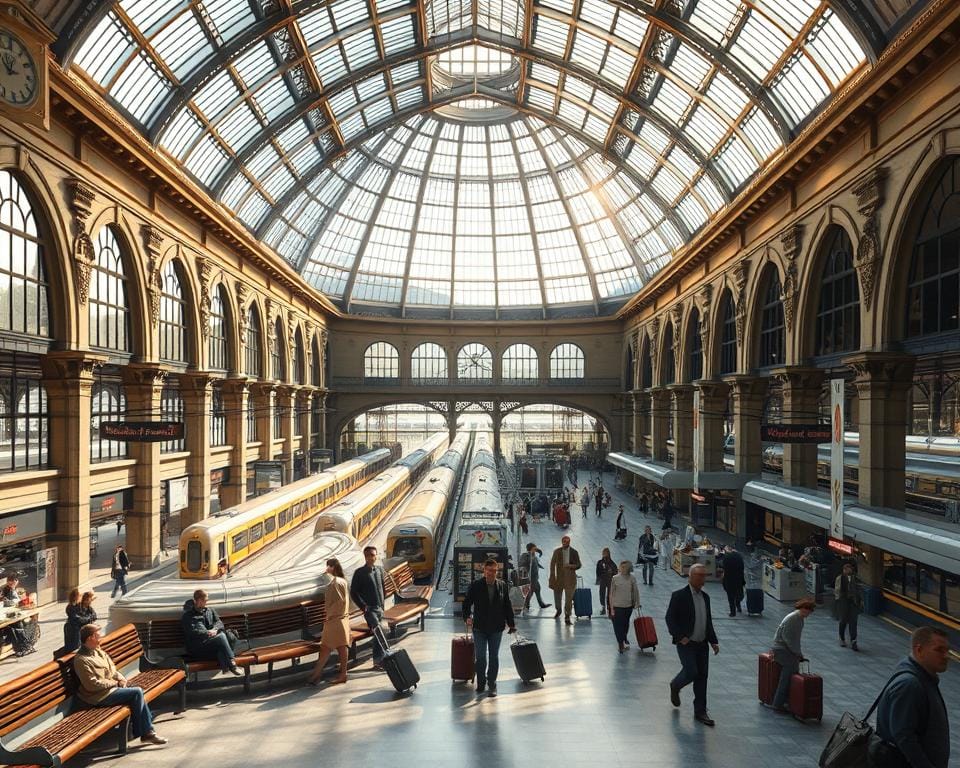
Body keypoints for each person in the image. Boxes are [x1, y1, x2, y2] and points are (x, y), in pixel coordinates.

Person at [73, 624, 167, 745]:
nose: (101, 637)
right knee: (137, 692)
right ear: (90, 638)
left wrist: (122, 680)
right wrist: (115, 683)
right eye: (98, 635)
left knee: (138, 691)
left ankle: (146, 731)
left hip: (111, 689)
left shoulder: (98, 651)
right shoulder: (81, 659)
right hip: (98, 696)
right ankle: (146, 732)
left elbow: (113, 670)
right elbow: (92, 685)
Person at [872, 626, 950, 768]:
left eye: (947, 650)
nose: (946, 656)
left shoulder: (923, 678)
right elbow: (904, 736)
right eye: (939, 650)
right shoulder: (910, 685)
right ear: (919, 650)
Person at [665, 563, 720, 726]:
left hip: (702, 644)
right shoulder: (679, 596)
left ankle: (700, 711)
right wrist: (680, 636)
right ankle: (675, 685)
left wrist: (713, 641)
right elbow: (670, 618)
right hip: (686, 643)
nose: (703, 579)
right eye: (700, 576)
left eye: (704, 575)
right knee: (691, 671)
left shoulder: (706, 597)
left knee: (702, 676)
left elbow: (707, 621)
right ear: (691, 577)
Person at [461, 559, 517, 696]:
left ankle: (492, 683)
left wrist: (511, 624)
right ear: (484, 571)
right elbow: (466, 603)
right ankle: (481, 683)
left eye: (494, 571)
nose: (492, 573)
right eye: (489, 570)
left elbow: (507, 605)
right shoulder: (476, 585)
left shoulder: (502, 585)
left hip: (496, 628)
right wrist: (467, 616)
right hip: (479, 627)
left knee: (494, 657)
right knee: (480, 657)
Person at [307, 559, 351, 687]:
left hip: (334, 621)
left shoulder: (335, 583)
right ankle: (319, 674)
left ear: (332, 567)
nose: (326, 569)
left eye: (328, 566)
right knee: (338, 647)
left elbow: (338, 602)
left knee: (328, 647)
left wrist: (329, 616)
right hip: (342, 620)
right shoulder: (342, 581)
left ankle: (319, 675)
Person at [769, 598, 815, 713]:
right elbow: (790, 639)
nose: (808, 615)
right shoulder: (795, 619)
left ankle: (785, 700)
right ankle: (778, 703)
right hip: (783, 649)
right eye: (808, 612)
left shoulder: (796, 617)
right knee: (788, 674)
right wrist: (798, 653)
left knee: (790, 673)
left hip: (781, 648)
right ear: (804, 609)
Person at [181, 589, 240, 675]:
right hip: (199, 647)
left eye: (206, 600)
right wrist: (207, 633)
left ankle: (225, 666)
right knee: (221, 637)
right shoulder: (188, 616)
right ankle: (232, 663)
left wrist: (215, 630)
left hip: (212, 643)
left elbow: (219, 623)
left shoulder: (210, 610)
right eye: (203, 601)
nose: (205, 603)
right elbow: (192, 632)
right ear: (195, 601)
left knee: (229, 636)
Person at [351, 545, 387, 669]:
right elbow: (353, 592)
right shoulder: (359, 573)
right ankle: (378, 660)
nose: (371, 557)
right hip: (370, 609)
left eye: (373, 555)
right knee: (379, 630)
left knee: (380, 631)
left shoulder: (379, 570)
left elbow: (383, 587)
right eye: (368, 555)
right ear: (365, 557)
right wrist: (363, 606)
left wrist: (383, 605)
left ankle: (381, 658)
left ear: (376, 556)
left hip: (379, 608)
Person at [549, 535, 582, 625]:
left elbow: (579, 564)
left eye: (566, 542)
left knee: (568, 599)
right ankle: (558, 610)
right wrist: (552, 575)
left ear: (569, 542)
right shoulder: (557, 551)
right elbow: (552, 564)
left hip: (570, 579)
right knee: (557, 596)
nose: (564, 543)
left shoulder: (574, 552)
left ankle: (567, 615)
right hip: (559, 578)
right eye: (563, 542)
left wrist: (570, 566)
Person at [608, 560, 640, 653]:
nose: (622, 569)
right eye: (622, 567)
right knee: (618, 626)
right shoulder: (615, 578)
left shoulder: (632, 578)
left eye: (624, 567)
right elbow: (611, 594)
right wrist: (611, 608)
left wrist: (637, 603)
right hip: (618, 606)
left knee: (625, 625)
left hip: (628, 606)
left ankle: (623, 638)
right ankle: (620, 644)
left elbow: (635, 591)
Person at [834, 562, 863, 651]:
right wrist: (838, 600)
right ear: (844, 570)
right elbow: (837, 590)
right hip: (843, 601)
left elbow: (859, 589)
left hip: (853, 602)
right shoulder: (840, 578)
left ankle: (853, 640)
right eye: (846, 569)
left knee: (853, 622)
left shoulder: (856, 578)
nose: (848, 571)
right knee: (843, 620)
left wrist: (859, 601)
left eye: (849, 569)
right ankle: (842, 638)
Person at [522, 543, 551, 612]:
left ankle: (541, 604)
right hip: (531, 577)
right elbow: (523, 564)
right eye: (534, 548)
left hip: (535, 577)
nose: (535, 550)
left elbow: (537, 554)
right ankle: (526, 605)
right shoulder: (527, 556)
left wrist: (539, 565)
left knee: (538, 589)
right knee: (531, 591)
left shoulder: (533, 555)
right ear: (531, 549)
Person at [721, 545, 746, 617]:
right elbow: (742, 569)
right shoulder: (739, 557)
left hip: (729, 579)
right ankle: (738, 606)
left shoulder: (726, 557)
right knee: (738, 593)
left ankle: (733, 612)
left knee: (730, 596)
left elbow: (724, 569)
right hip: (738, 579)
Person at [596, 548, 618, 616]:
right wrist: (598, 579)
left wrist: (612, 572)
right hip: (603, 579)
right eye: (603, 553)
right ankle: (603, 607)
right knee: (602, 593)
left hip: (610, 580)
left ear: (608, 554)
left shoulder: (612, 563)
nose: (604, 554)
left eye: (605, 553)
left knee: (609, 595)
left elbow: (615, 572)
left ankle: (609, 608)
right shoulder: (600, 562)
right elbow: (598, 571)